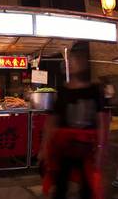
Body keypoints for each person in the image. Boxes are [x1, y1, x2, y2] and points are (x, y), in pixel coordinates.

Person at [40, 44, 107, 199]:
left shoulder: (95, 90)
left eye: (76, 58)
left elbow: (102, 122)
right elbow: (51, 121)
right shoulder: (63, 91)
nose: (71, 62)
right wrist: (44, 147)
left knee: (87, 190)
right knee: (60, 188)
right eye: (71, 59)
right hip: (64, 150)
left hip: (87, 151)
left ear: (85, 62)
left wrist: (101, 151)